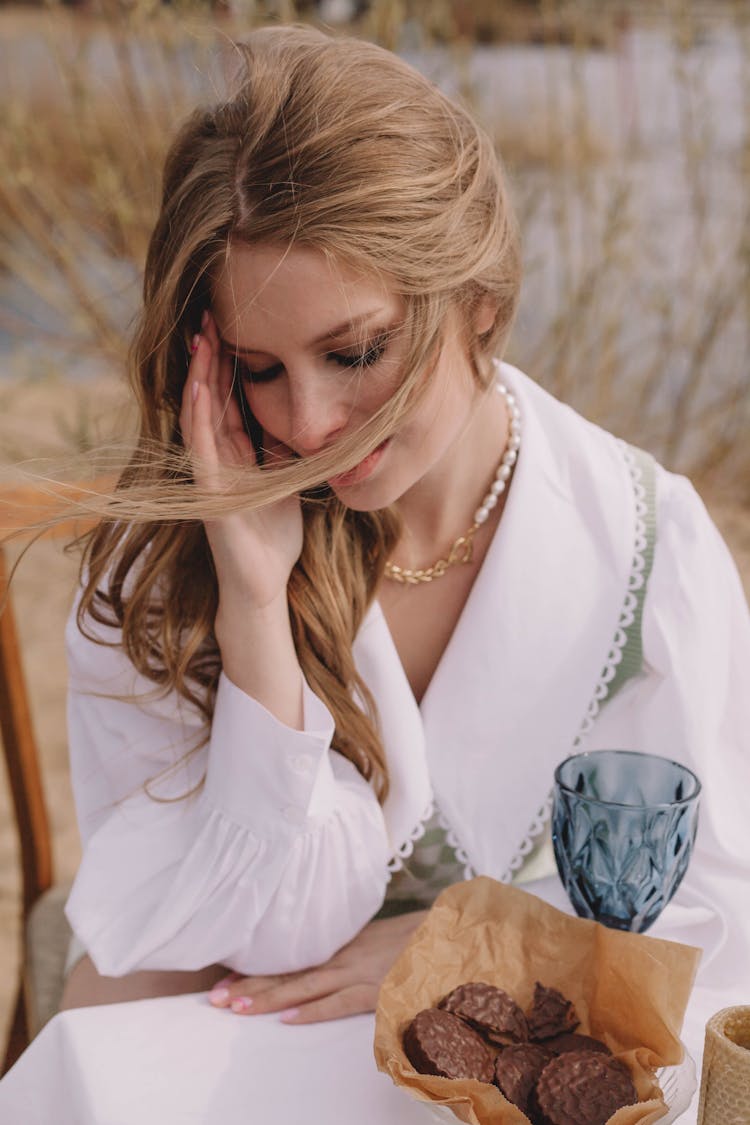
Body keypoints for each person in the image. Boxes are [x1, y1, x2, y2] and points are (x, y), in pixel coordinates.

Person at [60, 24, 749, 1045]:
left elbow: (719, 926)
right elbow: (243, 931)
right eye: (258, 368)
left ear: (477, 299)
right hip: (243, 1026)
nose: (306, 424)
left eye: (359, 352)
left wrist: (466, 937)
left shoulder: (653, 550)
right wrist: (256, 609)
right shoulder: (164, 572)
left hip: (528, 1051)